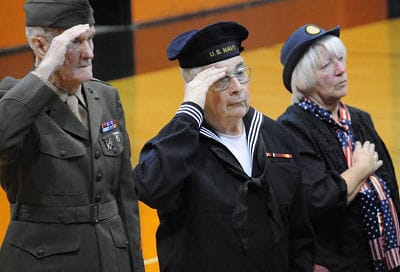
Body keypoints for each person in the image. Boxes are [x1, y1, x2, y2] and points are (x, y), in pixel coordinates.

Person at [132, 21, 315, 271]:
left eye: (240, 73)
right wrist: (188, 113)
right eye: (221, 80)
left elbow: (299, 234)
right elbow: (150, 188)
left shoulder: (276, 136)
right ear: (197, 90)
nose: (237, 88)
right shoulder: (178, 147)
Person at [0, 1, 144, 271]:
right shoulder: (12, 101)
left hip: (110, 258)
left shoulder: (106, 96)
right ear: (41, 46)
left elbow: (124, 196)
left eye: (90, 39)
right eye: (74, 42)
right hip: (46, 262)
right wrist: (44, 73)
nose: (89, 53)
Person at [277, 23, 400, 272]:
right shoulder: (292, 130)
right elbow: (319, 202)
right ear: (305, 79)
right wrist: (361, 168)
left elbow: (391, 189)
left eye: (341, 60)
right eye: (327, 66)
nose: (341, 70)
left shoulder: (360, 119)